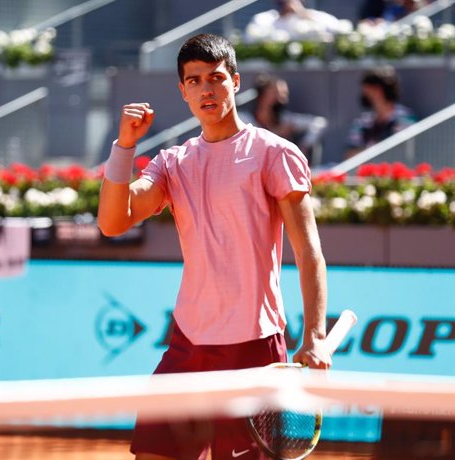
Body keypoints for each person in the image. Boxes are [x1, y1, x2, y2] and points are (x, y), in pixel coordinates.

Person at [97, 33, 330, 459]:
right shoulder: (172, 162)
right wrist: (125, 146)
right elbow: (113, 221)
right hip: (189, 344)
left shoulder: (274, 154)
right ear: (183, 91)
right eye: (195, 80)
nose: (207, 88)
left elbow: (308, 250)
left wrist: (314, 334)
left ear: (235, 82)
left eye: (216, 78)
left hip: (255, 346)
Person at [239, 73, 327, 165]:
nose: (282, 99)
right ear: (262, 96)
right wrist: (276, 133)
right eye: (276, 94)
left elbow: (319, 123)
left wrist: (304, 146)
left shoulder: (286, 120)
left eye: (284, 94)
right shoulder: (245, 120)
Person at [345, 65, 417, 159]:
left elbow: (403, 153)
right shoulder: (363, 122)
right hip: (365, 172)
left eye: (367, 88)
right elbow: (350, 155)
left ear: (378, 90)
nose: (364, 93)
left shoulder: (404, 119)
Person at [245, 0, 344, 42]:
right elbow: (249, 37)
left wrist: (302, 13)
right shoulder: (264, 18)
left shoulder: (314, 15)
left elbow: (336, 28)